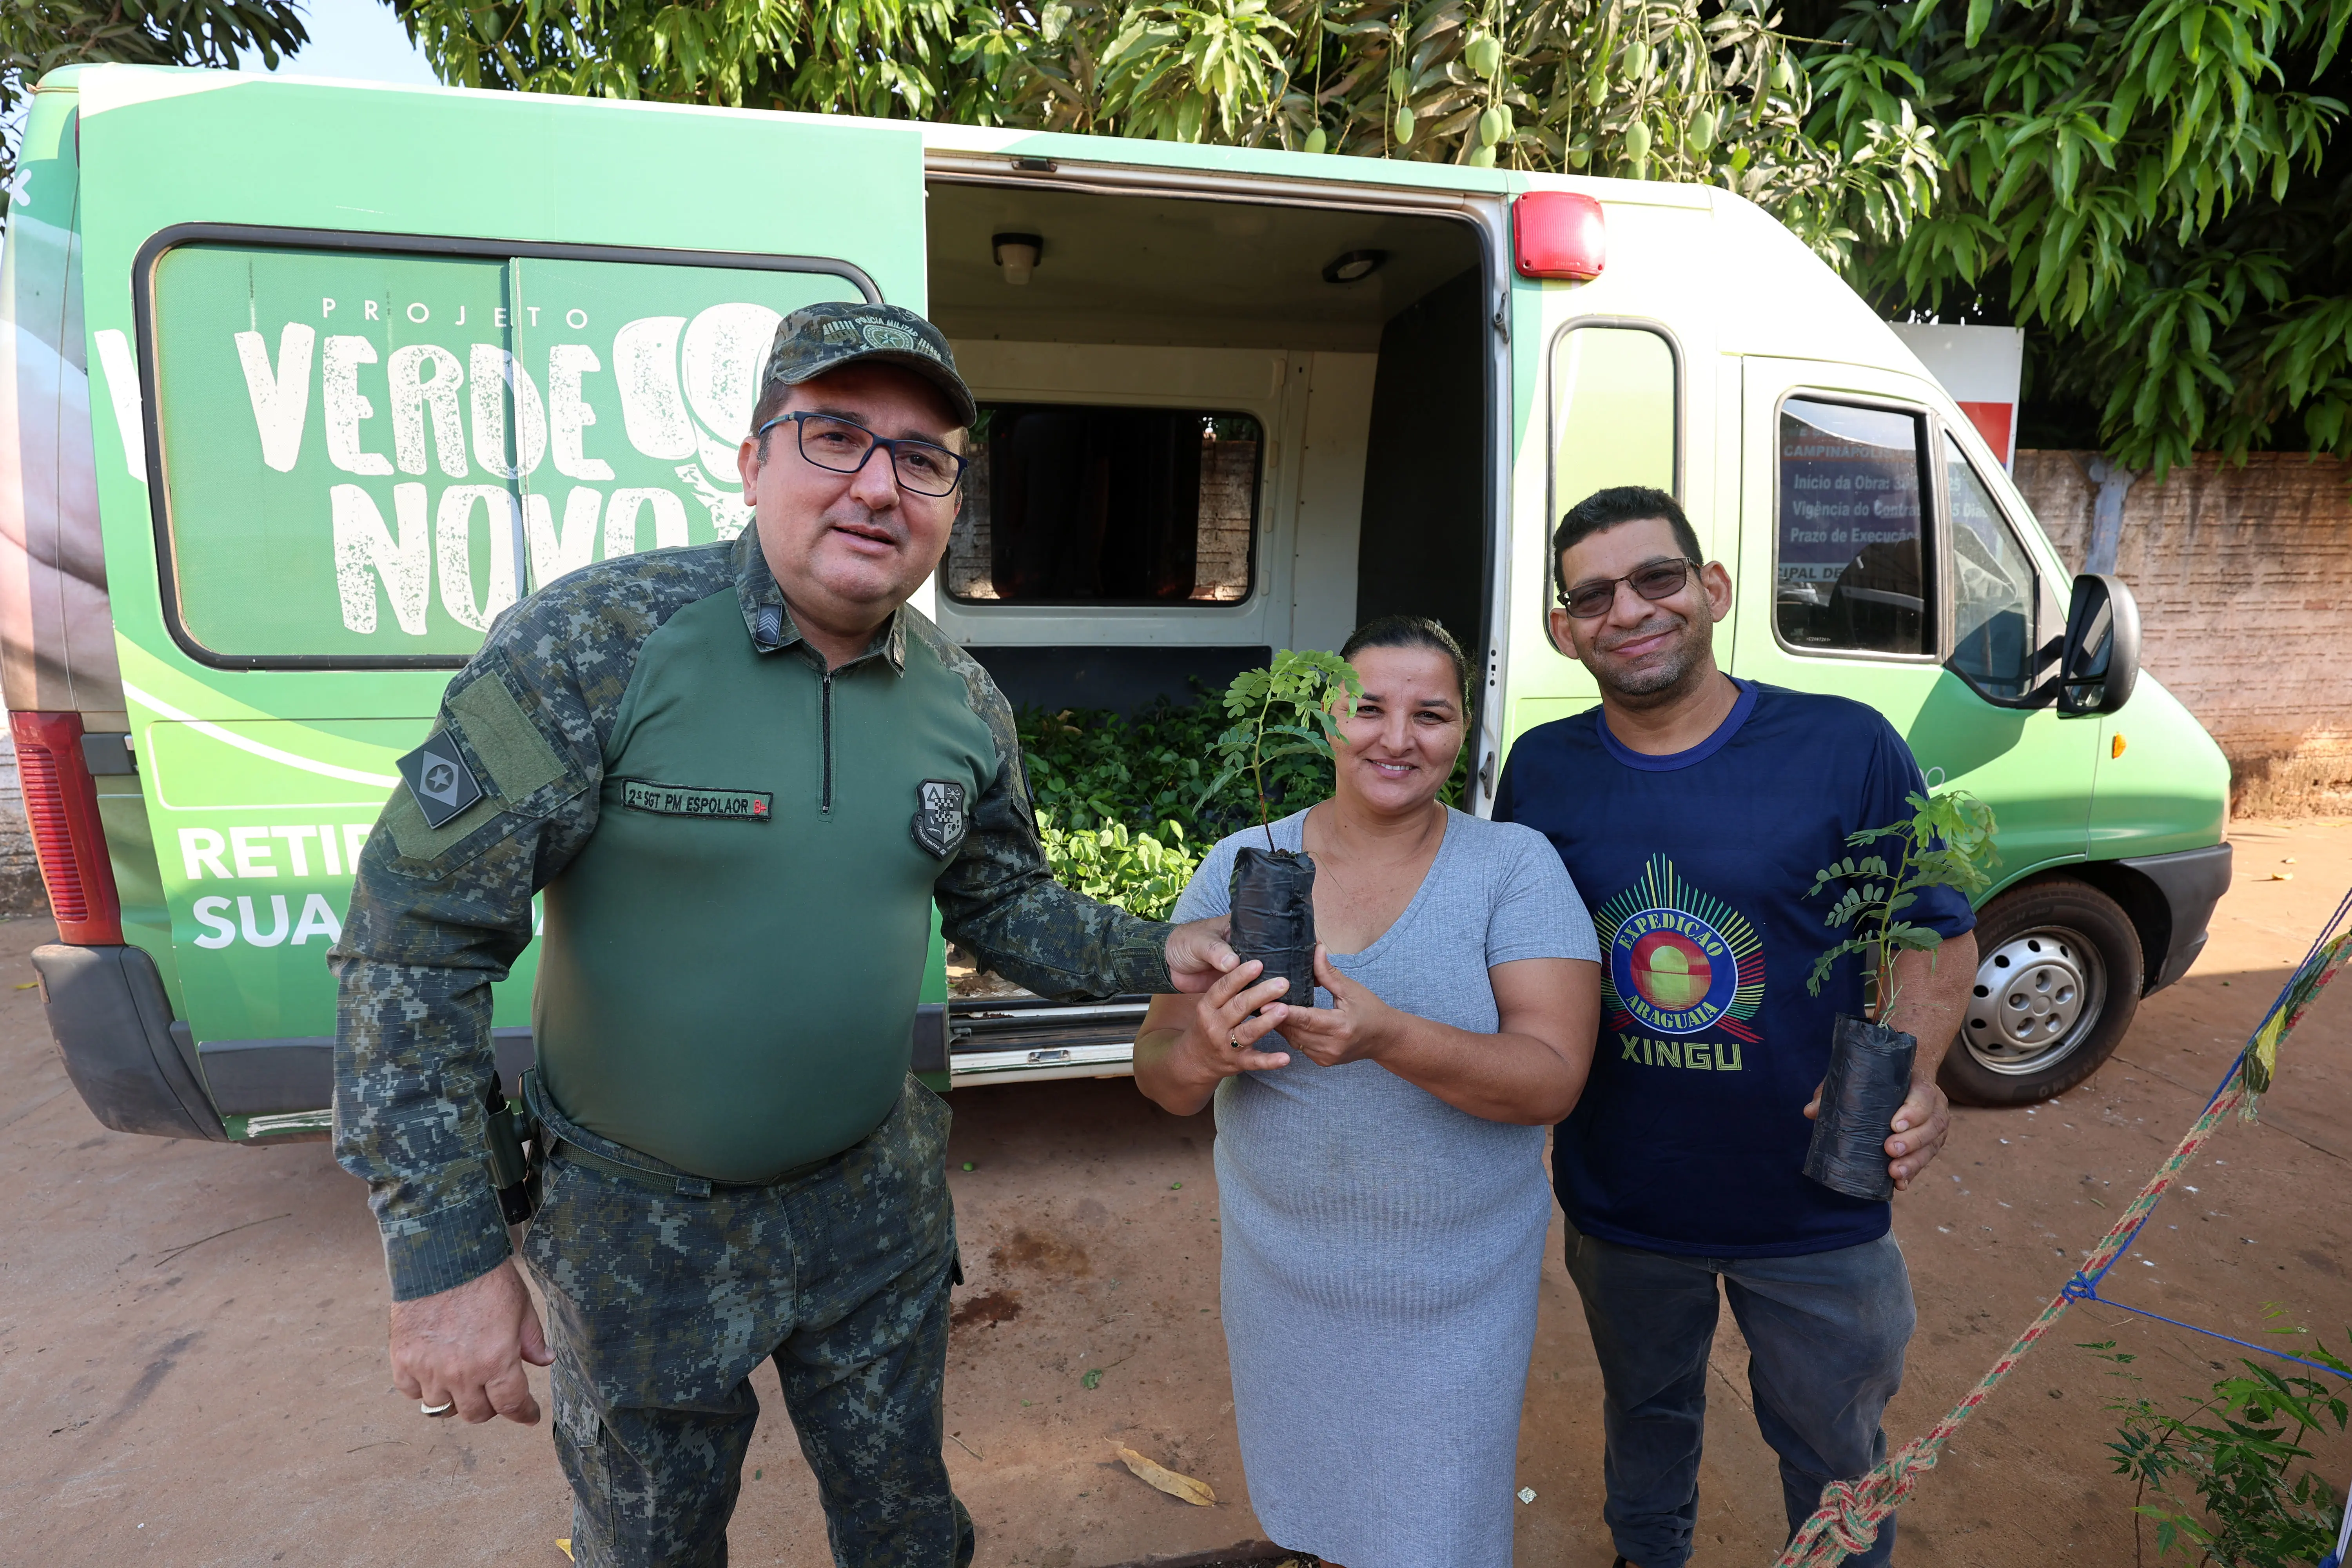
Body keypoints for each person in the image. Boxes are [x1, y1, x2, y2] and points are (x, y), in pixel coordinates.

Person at [330, 301, 1240, 1568]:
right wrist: (443, 1249)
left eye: (922, 459)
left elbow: (1003, 904)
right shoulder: (597, 643)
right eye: (834, 437)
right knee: (652, 1547)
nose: (879, 484)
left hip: (876, 1211)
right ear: (753, 460)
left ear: (948, 501)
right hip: (635, 1229)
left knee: (908, 1527)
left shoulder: (964, 703)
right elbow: (411, 940)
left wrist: (1166, 957)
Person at [1492, 485, 1979, 1568]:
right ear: (1566, 632)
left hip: (1814, 1199)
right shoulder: (1544, 769)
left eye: (1655, 578)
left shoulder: (1843, 747)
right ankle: (1646, 1555)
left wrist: (1921, 1075)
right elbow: (1510, 946)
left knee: (1834, 1444)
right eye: (1594, 596)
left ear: (1709, 589)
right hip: (1625, 1194)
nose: (1629, 610)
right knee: (1647, 1417)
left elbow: (1933, 928)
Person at [1132, 616, 1603, 1568]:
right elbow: (1161, 1074)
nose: (1397, 738)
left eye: (1430, 713)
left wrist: (1389, 1036)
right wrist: (1206, 1053)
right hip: (1284, 1283)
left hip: (1454, 1296)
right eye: (1369, 708)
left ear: (1463, 730)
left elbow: (1551, 1077)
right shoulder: (1240, 863)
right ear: (1325, 718)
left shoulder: (1513, 866)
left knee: (1439, 1523)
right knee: (1308, 1506)